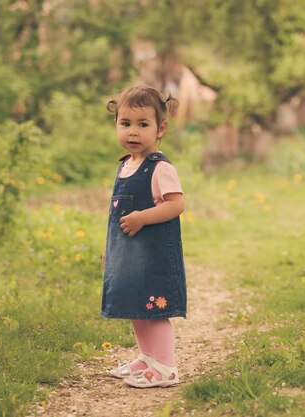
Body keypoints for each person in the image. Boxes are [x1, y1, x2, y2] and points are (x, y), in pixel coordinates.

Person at [101, 86, 186, 388]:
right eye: (125, 123)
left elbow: (176, 205)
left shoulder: (159, 168)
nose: (132, 132)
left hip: (152, 257)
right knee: (136, 306)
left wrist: (142, 217)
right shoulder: (126, 165)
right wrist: (111, 251)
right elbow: (116, 220)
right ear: (116, 124)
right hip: (130, 258)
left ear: (160, 128)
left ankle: (166, 366)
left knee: (155, 309)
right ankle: (147, 357)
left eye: (143, 124)